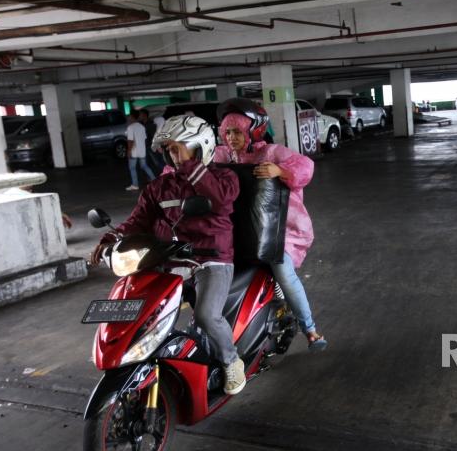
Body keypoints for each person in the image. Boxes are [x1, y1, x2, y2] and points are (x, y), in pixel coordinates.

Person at [89, 115, 247, 394]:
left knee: (207, 315)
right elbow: (138, 220)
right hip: (171, 258)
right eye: (169, 150)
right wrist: (111, 237)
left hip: (211, 259)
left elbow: (220, 201)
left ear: (199, 146)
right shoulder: (159, 187)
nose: (172, 156)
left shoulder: (224, 177)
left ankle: (232, 361)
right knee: (139, 301)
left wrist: (191, 165)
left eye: (178, 148)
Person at [212, 98, 327, 351]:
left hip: (278, 232)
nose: (231, 137)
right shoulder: (220, 155)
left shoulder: (272, 152)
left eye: (238, 132)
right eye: (227, 132)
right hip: (236, 231)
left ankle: (310, 329)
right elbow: (194, 168)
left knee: (284, 274)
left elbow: (305, 166)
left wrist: (280, 171)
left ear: (253, 131)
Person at [125, 109, 156, 191]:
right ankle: (155, 180)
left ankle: (135, 185)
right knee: (144, 166)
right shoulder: (141, 126)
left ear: (131, 117)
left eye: (129, 117)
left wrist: (129, 150)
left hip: (134, 151)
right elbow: (145, 139)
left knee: (132, 167)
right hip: (142, 150)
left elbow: (130, 140)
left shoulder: (130, 127)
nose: (128, 118)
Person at [139, 108, 164, 174]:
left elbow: (154, 136)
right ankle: (152, 178)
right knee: (147, 164)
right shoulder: (140, 124)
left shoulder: (150, 124)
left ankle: (167, 174)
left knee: (158, 163)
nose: (139, 116)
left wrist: (158, 147)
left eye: (140, 115)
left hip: (151, 146)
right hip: (144, 147)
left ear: (144, 115)